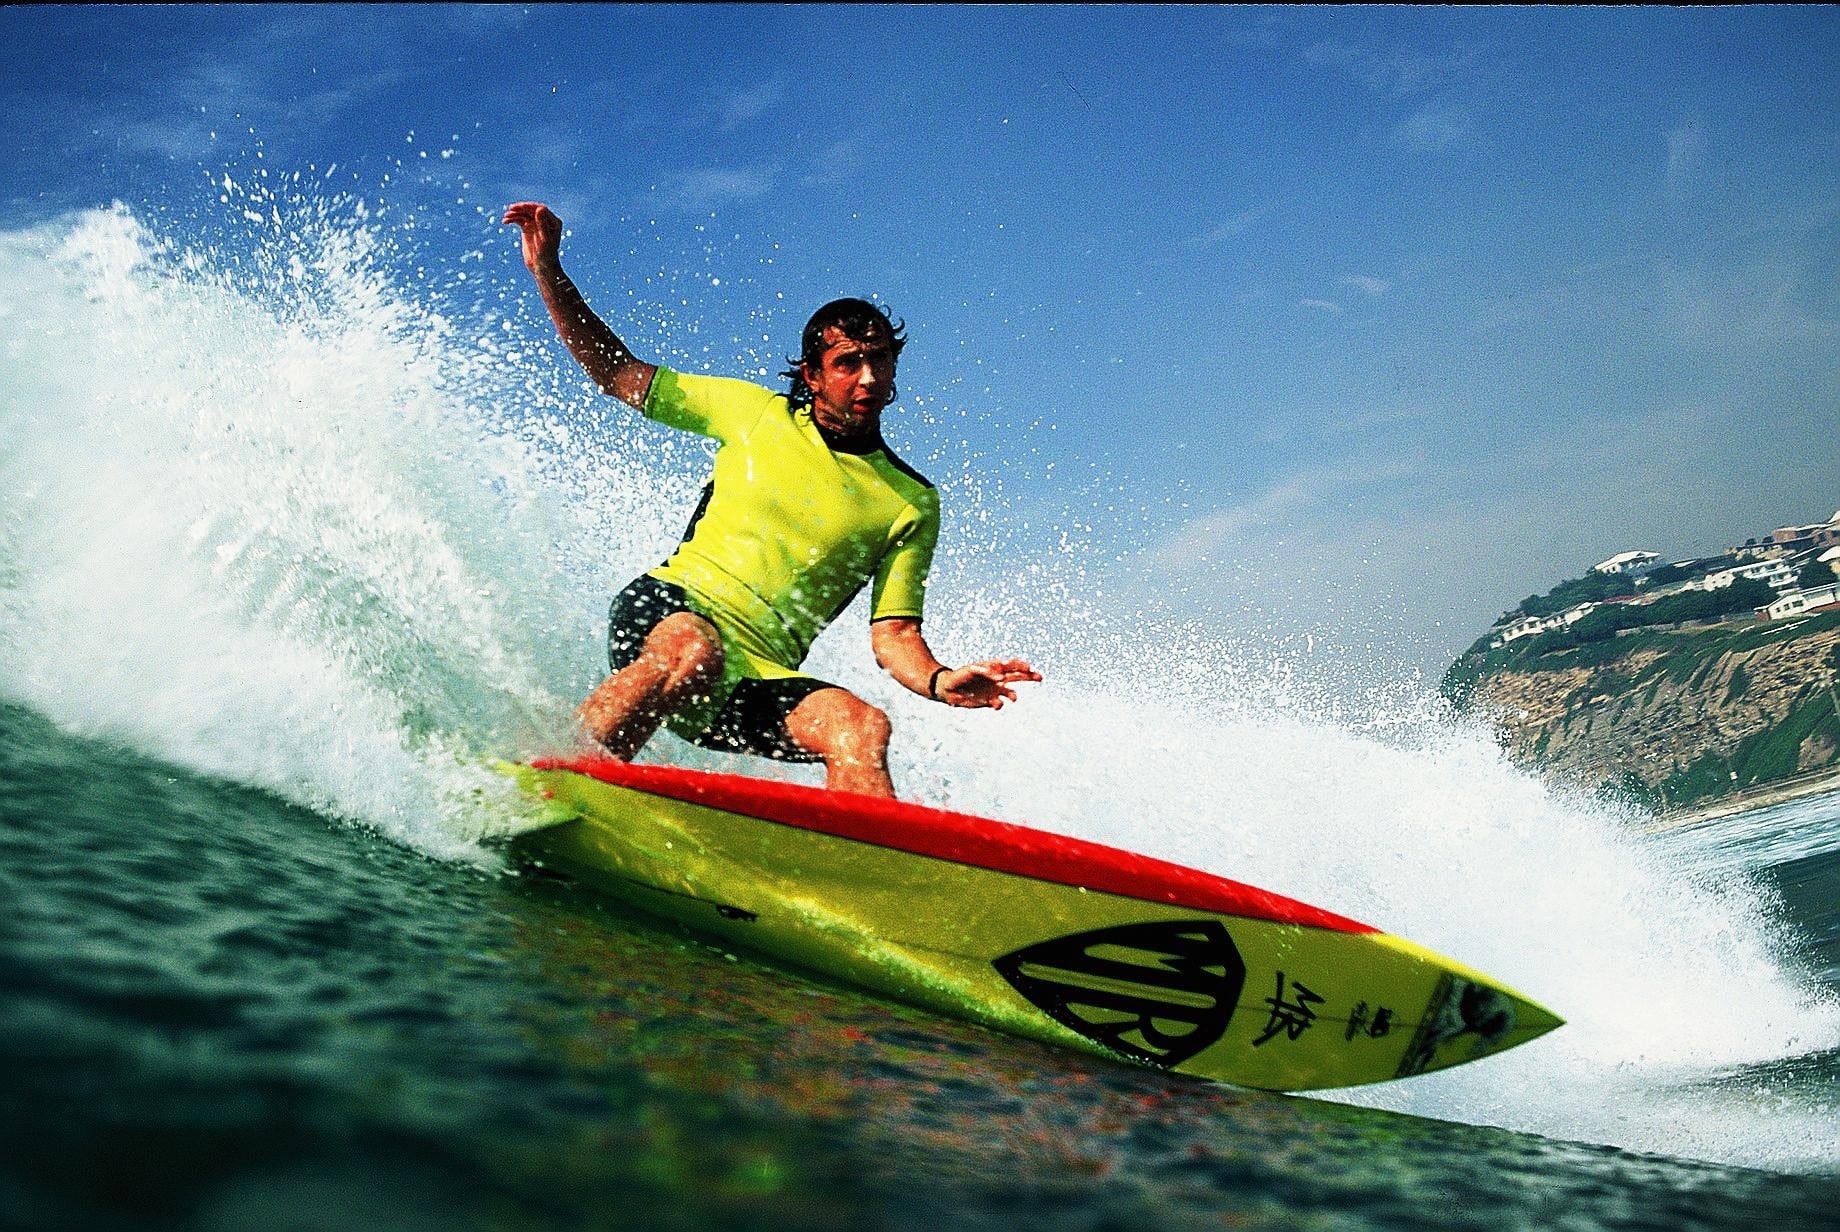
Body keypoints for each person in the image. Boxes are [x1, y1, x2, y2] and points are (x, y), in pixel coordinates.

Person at [503, 201, 1040, 798]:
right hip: (671, 610)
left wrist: (939, 680)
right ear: (813, 375)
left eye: (880, 360)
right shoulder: (755, 414)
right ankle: (548, 783)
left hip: (750, 678)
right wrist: (548, 271)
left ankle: (853, 859)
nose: (867, 377)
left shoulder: (911, 502)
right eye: (848, 363)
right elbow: (618, 373)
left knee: (861, 727)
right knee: (693, 650)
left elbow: (893, 635)